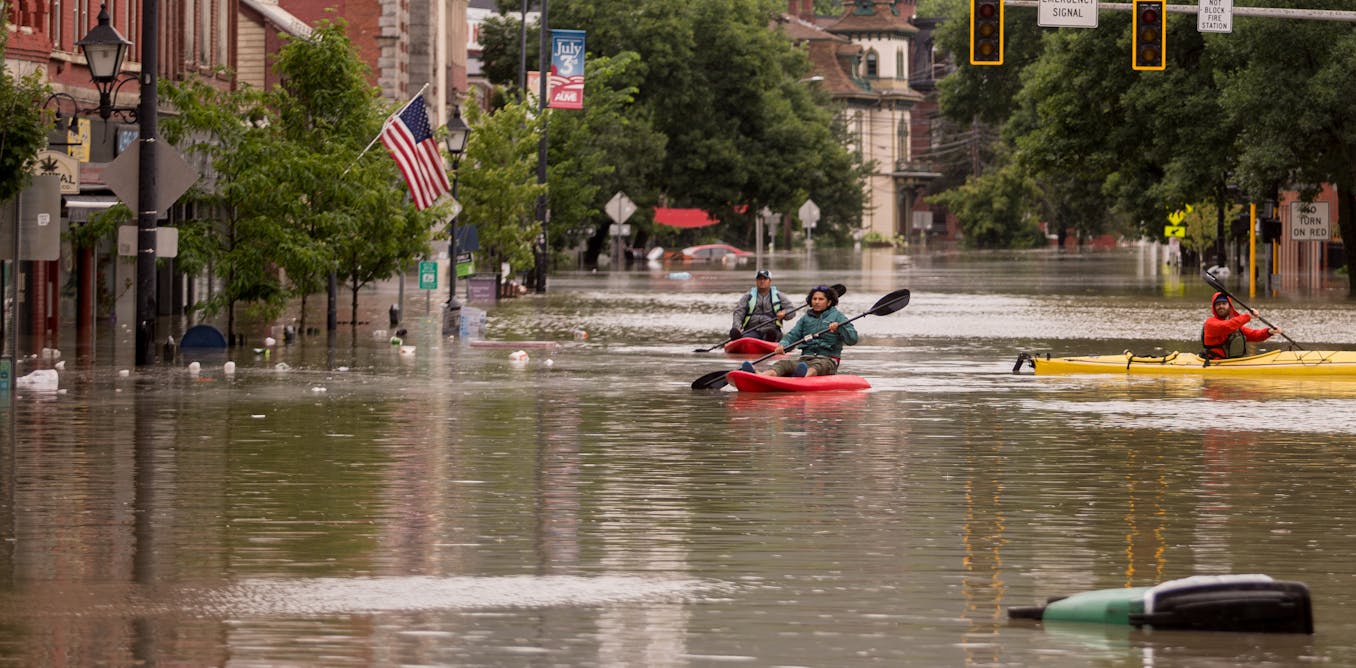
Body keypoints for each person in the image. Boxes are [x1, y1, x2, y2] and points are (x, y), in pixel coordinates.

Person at [741, 285, 858, 377]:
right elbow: (792, 335)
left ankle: (802, 376)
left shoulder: (838, 317)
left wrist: (840, 327)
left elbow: (853, 339)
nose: (817, 302)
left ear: (829, 302)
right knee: (783, 364)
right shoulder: (805, 319)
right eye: (814, 299)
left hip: (828, 360)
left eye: (821, 299)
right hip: (805, 359)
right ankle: (761, 375)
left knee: (817, 366)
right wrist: (783, 345)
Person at [1202, 292, 1280, 359]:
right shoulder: (1210, 323)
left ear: (1230, 306)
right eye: (1218, 304)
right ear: (1214, 308)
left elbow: (1254, 335)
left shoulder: (1235, 325)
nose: (1221, 306)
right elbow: (1226, 326)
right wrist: (1248, 316)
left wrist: (1269, 331)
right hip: (1215, 362)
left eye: (1224, 303)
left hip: (1231, 362)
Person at [730, 269, 792, 342]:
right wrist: (737, 328)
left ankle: (769, 341)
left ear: (770, 281)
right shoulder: (748, 296)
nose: (762, 281)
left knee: (771, 333)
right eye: (759, 279)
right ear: (756, 281)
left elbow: (791, 310)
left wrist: (784, 313)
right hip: (752, 330)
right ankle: (739, 340)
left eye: (765, 279)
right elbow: (738, 313)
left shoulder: (779, 296)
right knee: (745, 337)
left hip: (772, 330)